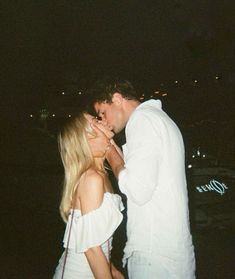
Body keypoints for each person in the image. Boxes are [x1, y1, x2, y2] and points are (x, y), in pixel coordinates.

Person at [88, 77, 196, 279]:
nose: (103, 120)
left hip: (154, 253)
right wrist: (110, 145)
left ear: (117, 98)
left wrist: (109, 152)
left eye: (103, 112)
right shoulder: (158, 119)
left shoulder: (142, 121)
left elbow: (137, 189)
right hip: (172, 251)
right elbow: (136, 173)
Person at [53, 113, 125, 279]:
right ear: (86, 139)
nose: (104, 121)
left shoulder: (101, 175)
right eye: (96, 121)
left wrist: (113, 271)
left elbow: (97, 240)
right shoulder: (92, 179)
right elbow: (91, 249)